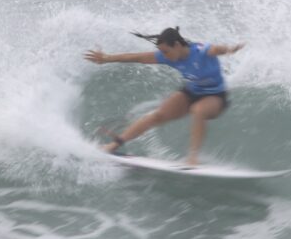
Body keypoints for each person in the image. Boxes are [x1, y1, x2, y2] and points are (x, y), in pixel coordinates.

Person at [84, 27, 244, 166]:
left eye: (166, 51)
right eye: (162, 52)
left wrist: (229, 49)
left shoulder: (200, 51)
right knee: (157, 115)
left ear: (177, 45)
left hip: (216, 96)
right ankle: (114, 145)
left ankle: (193, 158)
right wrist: (106, 58)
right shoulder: (168, 56)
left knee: (198, 110)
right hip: (192, 92)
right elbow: (137, 57)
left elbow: (214, 49)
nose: (164, 56)